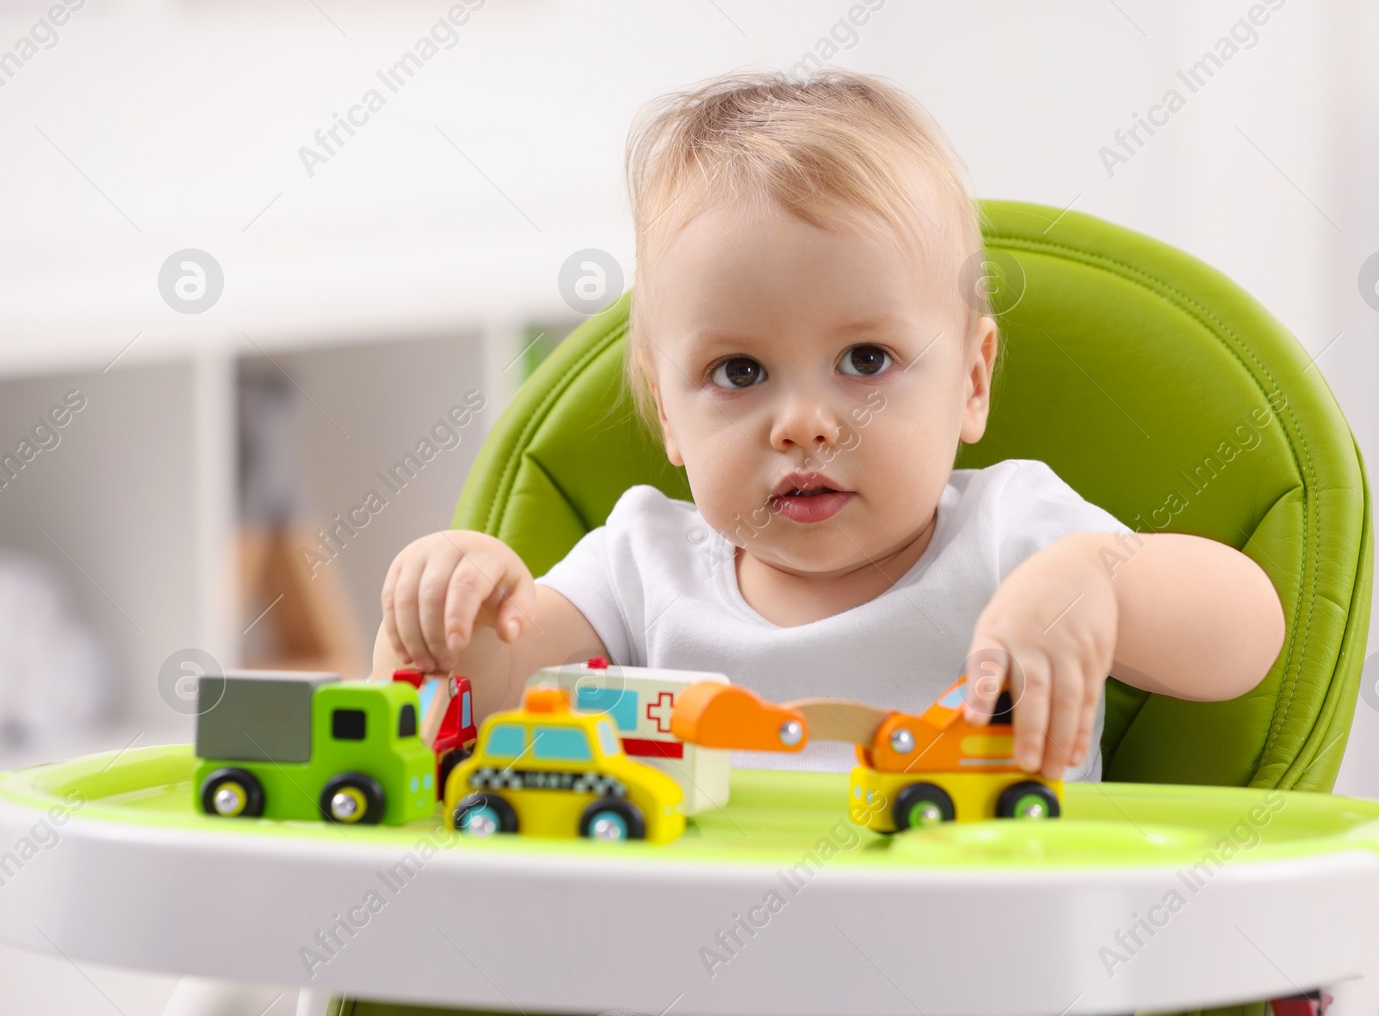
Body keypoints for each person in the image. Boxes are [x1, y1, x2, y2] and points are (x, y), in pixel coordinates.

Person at [373, 67, 1285, 781]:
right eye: (739, 372)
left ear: (972, 382)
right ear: (668, 416)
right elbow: (469, 711)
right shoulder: (639, 565)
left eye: (866, 361)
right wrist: (449, 605)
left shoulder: (1012, 536)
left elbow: (1248, 637)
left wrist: (1094, 581)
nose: (804, 424)